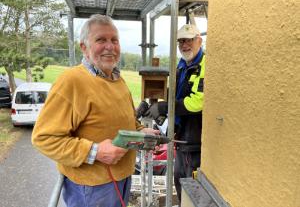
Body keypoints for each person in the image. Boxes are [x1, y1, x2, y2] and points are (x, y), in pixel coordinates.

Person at [32, 14, 158, 207]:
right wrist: (95, 151)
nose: (110, 46)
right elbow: (44, 138)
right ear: (84, 47)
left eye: (114, 40)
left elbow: (127, 121)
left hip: (122, 178)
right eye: (101, 40)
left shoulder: (118, 80)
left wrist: (141, 132)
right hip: (91, 188)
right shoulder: (72, 81)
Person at [145, 24, 205, 202]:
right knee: (179, 185)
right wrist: (158, 107)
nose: (184, 45)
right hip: (181, 138)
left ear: (199, 40)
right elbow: (175, 93)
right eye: (181, 42)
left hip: (194, 142)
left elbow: (198, 102)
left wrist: (165, 108)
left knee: (192, 192)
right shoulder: (182, 65)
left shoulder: (203, 66)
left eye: (188, 40)